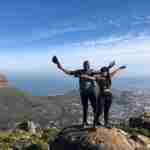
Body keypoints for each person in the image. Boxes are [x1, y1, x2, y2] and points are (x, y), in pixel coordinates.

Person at [52, 56, 115, 127]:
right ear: (83, 65)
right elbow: (68, 72)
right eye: (85, 65)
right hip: (83, 92)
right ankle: (85, 122)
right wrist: (59, 65)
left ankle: (96, 121)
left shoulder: (92, 72)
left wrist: (109, 67)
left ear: (89, 65)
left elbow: (103, 71)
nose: (86, 66)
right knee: (85, 107)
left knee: (95, 107)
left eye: (87, 65)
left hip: (91, 92)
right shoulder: (79, 72)